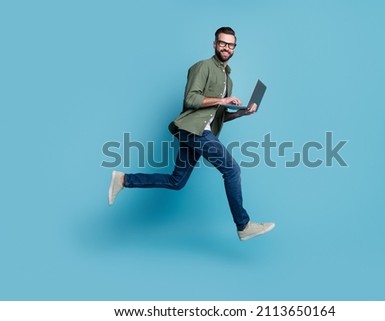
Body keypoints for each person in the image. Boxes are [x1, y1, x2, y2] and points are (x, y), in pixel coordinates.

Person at [108, 26, 275, 241]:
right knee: (232, 170)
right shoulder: (202, 67)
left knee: (176, 181)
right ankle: (243, 225)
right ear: (214, 44)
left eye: (231, 45)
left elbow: (218, 116)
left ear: (234, 48)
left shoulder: (227, 78)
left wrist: (242, 113)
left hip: (198, 131)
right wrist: (223, 100)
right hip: (193, 131)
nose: (226, 47)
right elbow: (191, 99)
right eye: (222, 43)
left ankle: (123, 179)